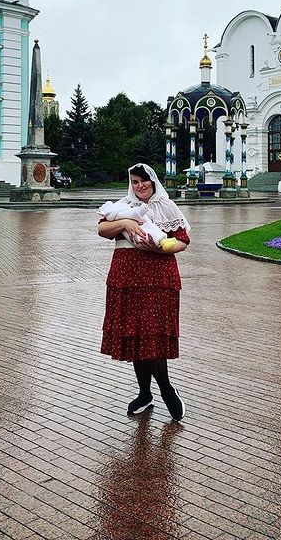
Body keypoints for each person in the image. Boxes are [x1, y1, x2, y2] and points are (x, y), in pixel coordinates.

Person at [98, 163, 191, 421]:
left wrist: (161, 246)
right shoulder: (123, 206)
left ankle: (166, 388)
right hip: (128, 278)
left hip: (158, 277)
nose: (140, 186)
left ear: (153, 181)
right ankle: (144, 393)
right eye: (135, 182)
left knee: (153, 334)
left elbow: (183, 241)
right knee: (135, 334)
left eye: (144, 181)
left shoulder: (167, 207)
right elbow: (102, 229)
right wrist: (126, 222)